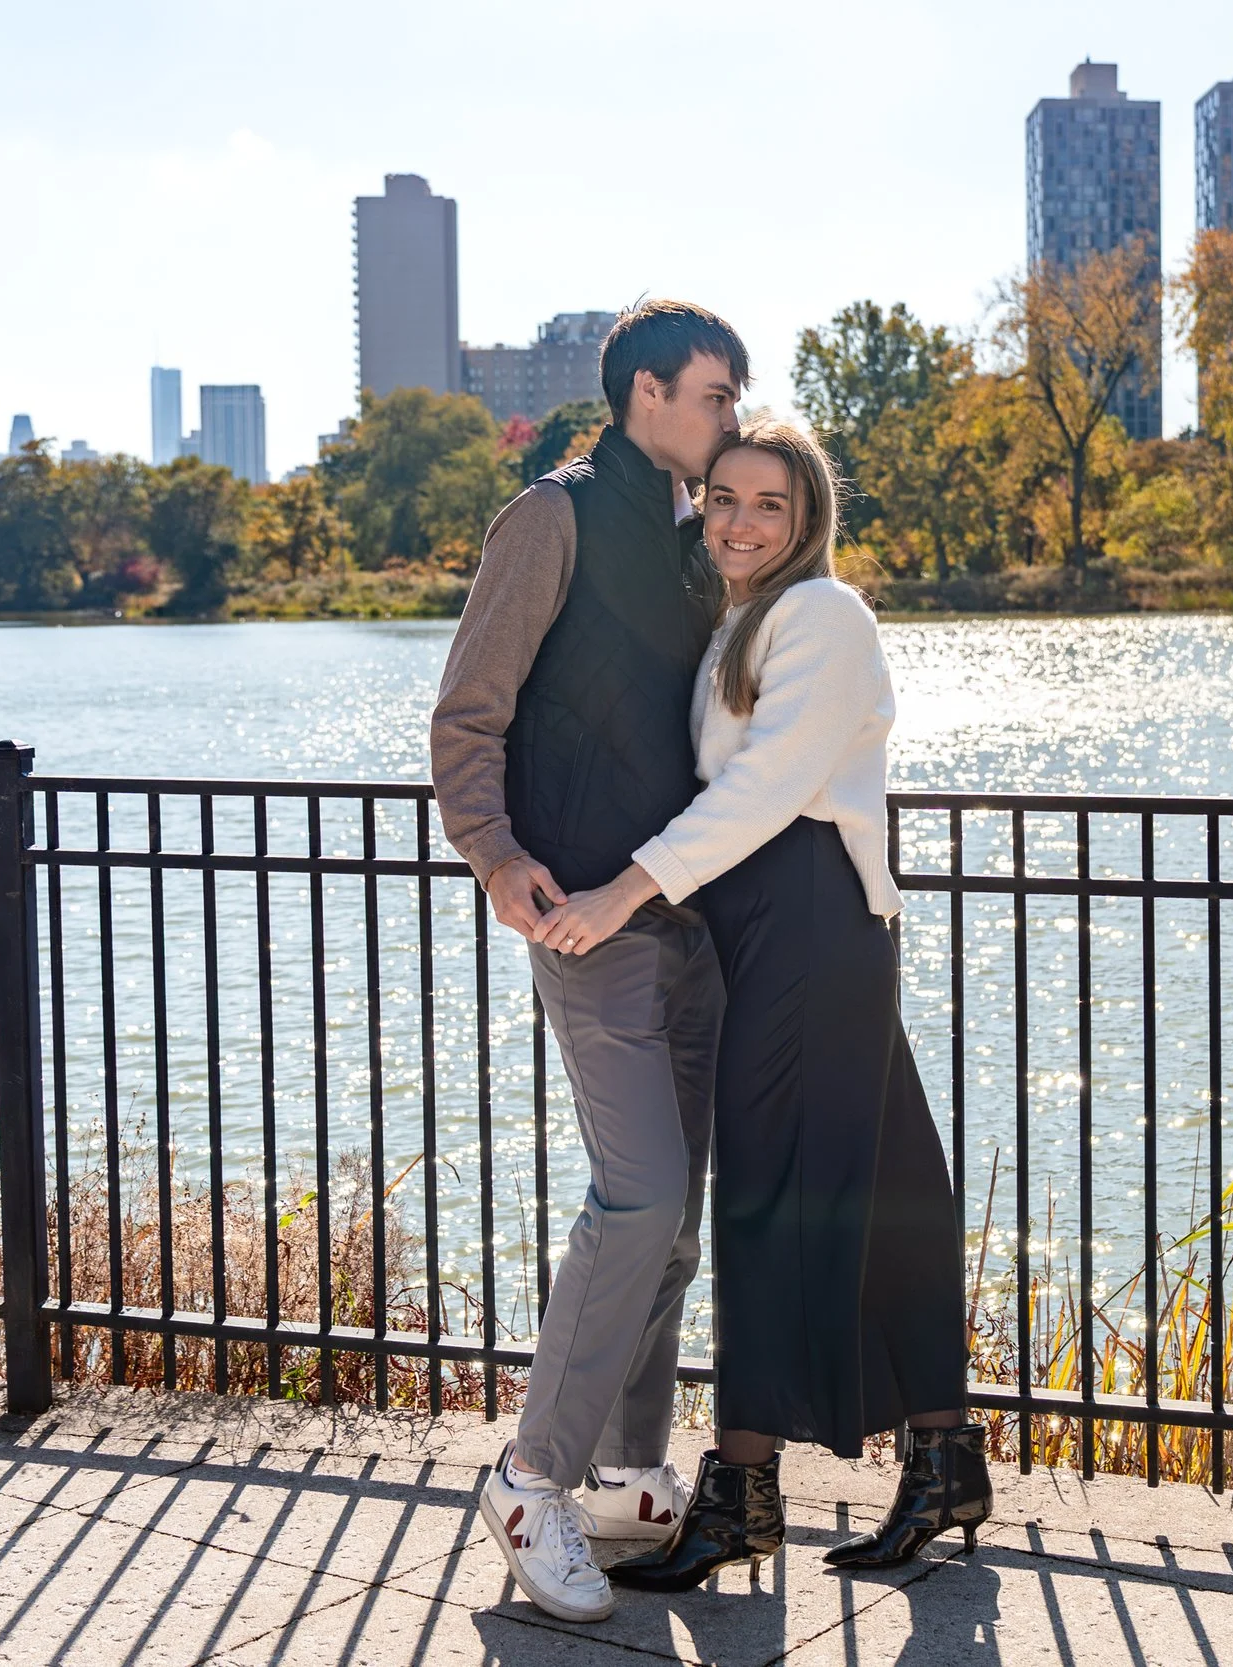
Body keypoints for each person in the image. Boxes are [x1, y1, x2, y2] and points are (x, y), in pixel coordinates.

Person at [530, 417, 992, 1593]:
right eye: (723, 498)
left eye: (768, 505)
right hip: (783, 929)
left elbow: (768, 785)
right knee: (886, 1194)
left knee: (767, 1204)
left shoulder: (823, 615)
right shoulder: (743, 621)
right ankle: (943, 1457)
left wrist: (626, 885)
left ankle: (740, 1492)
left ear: (807, 519)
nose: (739, 519)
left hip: (803, 918)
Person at [430, 300, 749, 1624]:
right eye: (715, 393)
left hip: (689, 915)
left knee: (675, 1222)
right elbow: (467, 712)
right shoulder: (548, 519)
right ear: (643, 396)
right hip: (579, 913)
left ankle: (623, 1475)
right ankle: (530, 1476)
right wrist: (499, 859)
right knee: (640, 1196)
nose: (732, 412)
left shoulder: (702, 533)